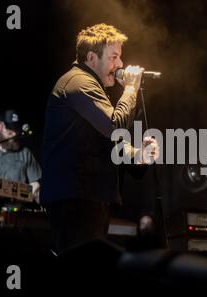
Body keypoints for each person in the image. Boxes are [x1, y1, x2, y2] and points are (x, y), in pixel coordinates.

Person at [41, 23, 159, 254]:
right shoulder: (77, 83)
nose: (120, 65)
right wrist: (130, 90)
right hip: (75, 199)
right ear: (92, 57)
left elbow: (108, 141)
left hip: (89, 197)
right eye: (114, 57)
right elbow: (114, 126)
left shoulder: (92, 88)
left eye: (120, 58)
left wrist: (139, 154)